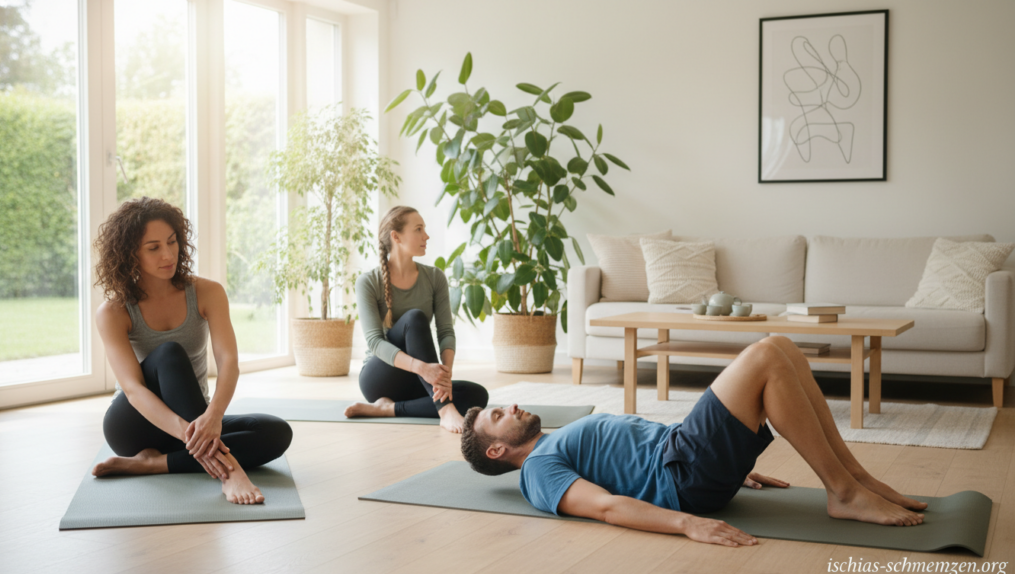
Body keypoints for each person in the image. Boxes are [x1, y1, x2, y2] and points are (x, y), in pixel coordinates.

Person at [461, 336, 928, 546]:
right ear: (497, 451)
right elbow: (606, 506)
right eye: (498, 417)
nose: (513, 407)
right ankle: (843, 493)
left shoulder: (553, 442)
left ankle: (856, 478)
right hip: (683, 474)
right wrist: (687, 524)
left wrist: (733, 466)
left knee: (782, 347)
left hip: (687, 455)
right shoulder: (539, 471)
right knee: (764, 354)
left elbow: (622, 460)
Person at [91, 197, 292, 505]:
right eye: (153, 247)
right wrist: (200, 439)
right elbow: (132, 390)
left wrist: (214, 417)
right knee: (169, 353)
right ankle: (230, 471)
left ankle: (153, 464)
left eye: (172, 242)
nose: (168, 254)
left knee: (276, 432)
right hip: (135, 426)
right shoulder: (114, 311)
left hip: (197, 422)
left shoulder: (207, 292)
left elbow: (228, 361)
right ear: (130, 253)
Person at [345, 206, 488, 432]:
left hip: (420, 381)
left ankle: (387, 409)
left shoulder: (434, 277)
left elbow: (446, 332)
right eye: (419, 229)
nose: (426, 236)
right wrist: (422, 368)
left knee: (478, 396)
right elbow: (374, 342)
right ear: (396, 236)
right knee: (414, 318)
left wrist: (444, 377)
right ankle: (444, 410)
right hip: (381, 378)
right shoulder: (369, 281)